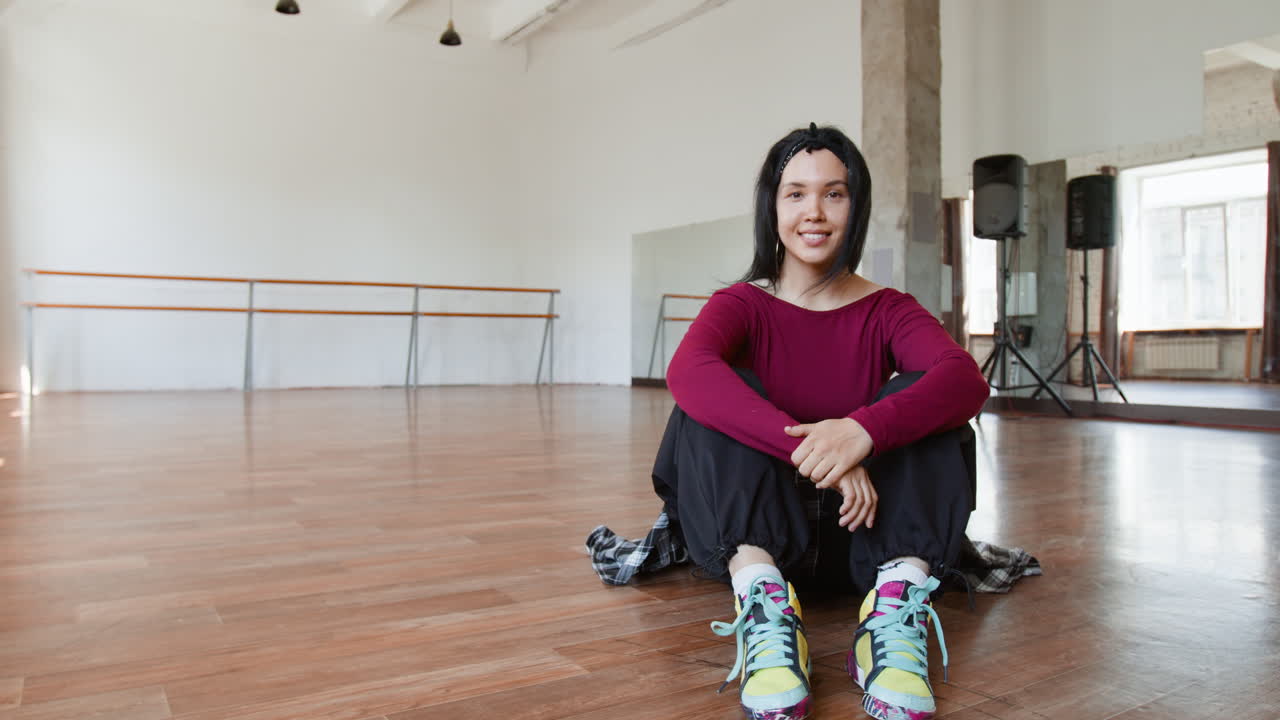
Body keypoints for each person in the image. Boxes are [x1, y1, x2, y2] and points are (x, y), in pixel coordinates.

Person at [653, 123, 989, 720]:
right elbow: (688, 372)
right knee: (712, 399)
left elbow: (965, 378)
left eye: (834, 193)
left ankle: (891, 616)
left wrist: (862, 432)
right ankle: (764, 611)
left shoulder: (889, 309)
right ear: (772, 206)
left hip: (862, 534)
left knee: (932, 399)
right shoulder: (741, 304)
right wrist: (823, 457)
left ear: (854, 206)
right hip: (760, 537)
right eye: (796, 193)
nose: (815, 211)